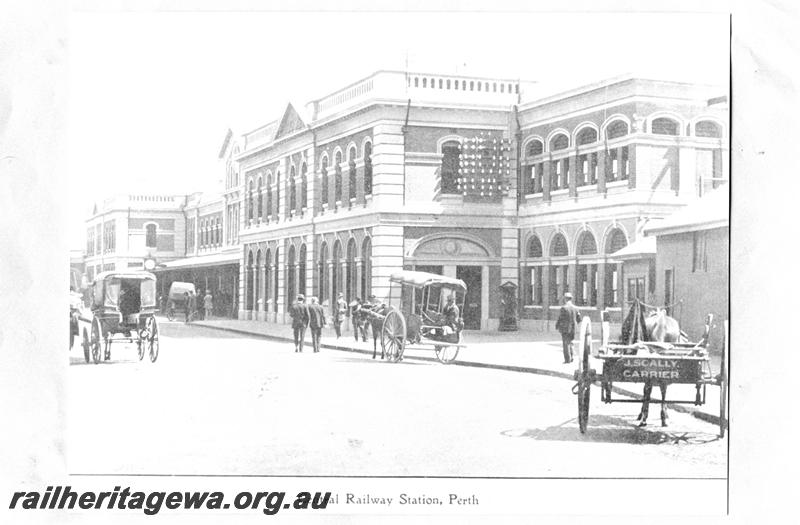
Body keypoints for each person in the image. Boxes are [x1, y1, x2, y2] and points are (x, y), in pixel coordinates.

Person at [555, 292, 581, 364]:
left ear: (565, 299)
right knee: (571, 342)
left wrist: (557, 325)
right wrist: (575, 324)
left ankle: (567, 359)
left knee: (566, 344)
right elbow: (579, 319)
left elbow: (560, 318)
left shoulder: (564, 308)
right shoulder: (576, 308)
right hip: (573, 329)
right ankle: (572, 357)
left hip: (565, 329)